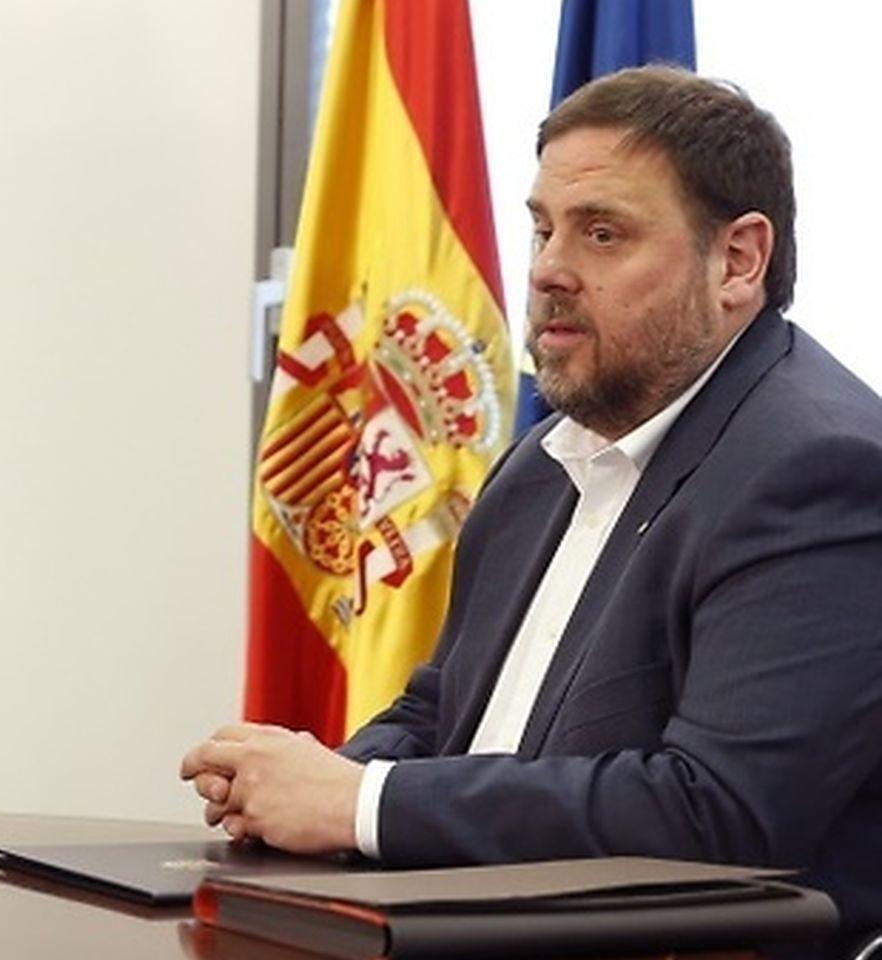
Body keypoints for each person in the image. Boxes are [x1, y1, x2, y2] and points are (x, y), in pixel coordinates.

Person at [181, 66, 882, 928]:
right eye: (542, 229)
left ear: (737, 261)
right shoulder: (542, 461)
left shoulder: (822, 471)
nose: (549, 270)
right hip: (464, 927)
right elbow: (442, 710)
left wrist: (364, 805)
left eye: (601, 234)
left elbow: (720, 813)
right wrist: (293, 786)